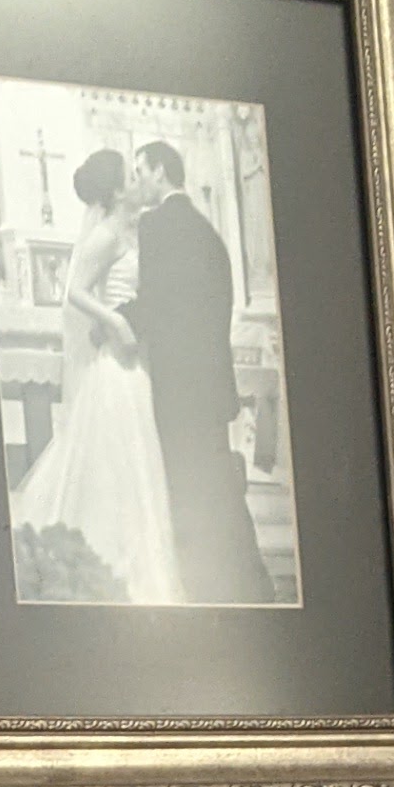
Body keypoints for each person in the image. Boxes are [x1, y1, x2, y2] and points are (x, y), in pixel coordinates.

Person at [11, 148, 184, 607]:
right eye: (131, 176)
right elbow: (74, 291)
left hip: (138, 360)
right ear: (117, 191)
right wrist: (116, 321)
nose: (138, 181)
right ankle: (109, 566)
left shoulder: (137, 228)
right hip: (114, 366)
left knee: (139, 463)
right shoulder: (106, 235)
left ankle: (141, 566)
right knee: (116, 461)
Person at [129, 141, 274, 606]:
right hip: (210, 387)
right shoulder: (209, 233)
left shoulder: (154, 226)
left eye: (140, 172)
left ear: (160, 172)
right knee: (219, 485)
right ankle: (248, 582)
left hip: (176, 387)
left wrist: (115, 319)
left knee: (183, 485)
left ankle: (199, 587)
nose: (137, 182)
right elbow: (214, 309)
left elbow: (154, 303)